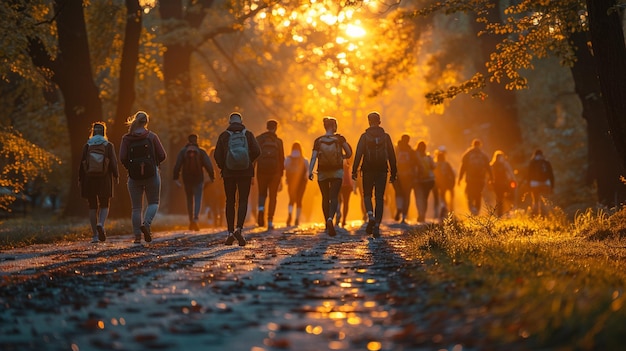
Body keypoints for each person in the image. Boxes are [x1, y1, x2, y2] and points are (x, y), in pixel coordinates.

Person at [213, 112, 261, 246]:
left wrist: (224, 166)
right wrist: (247, 161)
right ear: (241, 122)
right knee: (243, 200)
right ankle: (239, 229)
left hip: (229, 173)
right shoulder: (248, 134)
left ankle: (229, 232)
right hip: (245, 173)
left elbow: (217, 155)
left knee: (230, 201)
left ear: (229, 123)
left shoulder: (224, 135)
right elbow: (257, 151)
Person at [119, 111, 167, 244]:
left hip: (133, 177)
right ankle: (146, 224)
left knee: (136, 208)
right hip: (152, 174)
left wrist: (130, 167)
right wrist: (154, 164)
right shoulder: (151, 136)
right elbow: (163, 155)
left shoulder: (127, 138)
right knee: (153, 202)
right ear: (146, 122)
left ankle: (137, 237)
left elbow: (122, 157)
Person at [351, 111, 397, 238]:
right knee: (379, 197)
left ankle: (370, 215)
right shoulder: (386, 137)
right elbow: (392, 156)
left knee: (367, 195)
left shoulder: (364, 137)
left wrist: (354, 170)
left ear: (369, 122)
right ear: (379, 122)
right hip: (382, 170)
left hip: (367, 170)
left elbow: (358, 154)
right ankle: (377, 225)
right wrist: (394, 172)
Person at [308, 116, 352, 237]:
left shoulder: (318, 140)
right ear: (334, 127)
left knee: (324, 197)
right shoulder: (340, 139)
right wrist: (342, 157)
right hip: (337, 171)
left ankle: (326, 222)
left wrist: (310, 171)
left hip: (322, 172)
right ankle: (330, 219)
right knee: (334, 197)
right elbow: (349, 153)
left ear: (325, 126)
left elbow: (313, 157)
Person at [78, 122, 119, 243]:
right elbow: (113, 162)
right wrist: (116, 176)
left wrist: (80, 178)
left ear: (93, 132)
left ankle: (95, 235)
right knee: (105, 203)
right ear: (103, 132)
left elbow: (82, 162)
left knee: (92, 206)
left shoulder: (87, 145)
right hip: (104, 178)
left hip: (89, 179)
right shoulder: (108, 145)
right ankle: (100, 223)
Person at [173, 134, 215, 231]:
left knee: (189, 199)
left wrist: (176, 178)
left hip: (187, 179)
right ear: (197, 140)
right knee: (197, 199)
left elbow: (177, 165)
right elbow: (208, 164)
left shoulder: (183, 152)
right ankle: (196, 219)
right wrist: (212, 176)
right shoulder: (200, 152)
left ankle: (190, 220)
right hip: (198, 178)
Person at [255, 120, 285, 230]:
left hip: (261, 172)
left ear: (266, 127)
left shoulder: (259, 139)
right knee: (273, 196)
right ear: (275, 128)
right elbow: (282, 159)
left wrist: (253, 173)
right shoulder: (278, 141)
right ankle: (270, 220)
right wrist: (281, 176)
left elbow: (254, 157)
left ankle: (261, 211)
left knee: (262, 194)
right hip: (275, 173)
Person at [457, 138, 492, 216]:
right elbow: (488, 168)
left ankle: (472, 208)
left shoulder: (467, 154)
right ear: (480, 145)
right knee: (478, 195)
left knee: (469, 194)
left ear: (472, 145)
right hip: (480, 179)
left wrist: (460, 178)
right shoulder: (483, 155)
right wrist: (491, 178)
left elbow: (463, 167)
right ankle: (477, 210)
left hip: (470, 179)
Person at [393, 134, 418, 224]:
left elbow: (391, 160)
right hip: (408, 175)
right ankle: (404, 217)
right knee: (406, 195)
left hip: (397, 175)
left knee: (398, 193)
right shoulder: (411, 151)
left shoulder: (396, 149)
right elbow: (415, 163)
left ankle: (399, 208)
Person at [284, 141, 309, 227]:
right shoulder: (304, 160)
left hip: (291, 182)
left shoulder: (288, 159)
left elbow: (285, 168)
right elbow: (307, 172)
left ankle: (290, 214)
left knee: (291, 200)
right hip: (302, 183)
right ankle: (297, 219)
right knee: (299, 201)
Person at [527, 149, 554, 217]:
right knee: (544, 201)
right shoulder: (546, 162)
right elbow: (551, 175)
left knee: (535, 201)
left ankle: (534, 217)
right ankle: (544, 217)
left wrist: (529, 186)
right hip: (545, 184)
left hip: (534, 184)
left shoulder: (532, 162)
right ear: (542, 154)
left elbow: (528, 175)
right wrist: (552, 187)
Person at [414, 141, 436, 223]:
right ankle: (423, 214)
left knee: (419, 198)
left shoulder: (415, 156)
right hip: (429, 180)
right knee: (425, 198)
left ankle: (420, 213)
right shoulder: (428, 157)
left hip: (418, 180)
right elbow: (434, 166)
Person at [490, 150, 516, 217]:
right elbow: (510, 172)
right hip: (503, 184)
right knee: (504, 198)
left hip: (498, 184)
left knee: (500, 199)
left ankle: (501, 214)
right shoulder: (504, 164)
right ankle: (504, 213)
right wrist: (513, 179)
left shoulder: (493, 164)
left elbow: (490, 174)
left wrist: (490, 182)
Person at [204, 147, 225, 228]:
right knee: (222, 204)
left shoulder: (209, 161)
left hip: (212, 187)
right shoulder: (222, 160)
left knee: (214, 204)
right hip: (222, 186)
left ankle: (216, 221)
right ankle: (221, 221)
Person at [433, 146, 456, 219]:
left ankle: (443, 209)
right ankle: (450, 210)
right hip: (447, 184)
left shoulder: (435, 164)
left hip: (438, 184)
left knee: (441, 198)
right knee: (450, 197)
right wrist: (453, 183)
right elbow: (452, 174)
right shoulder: (446, 164)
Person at [336, 156, 355, 227]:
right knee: (345, 202)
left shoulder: (336, 157)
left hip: (339, 181)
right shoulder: (349, 159)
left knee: (338, 200)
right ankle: (343, 219)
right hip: (347, 182)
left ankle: (339, 215)